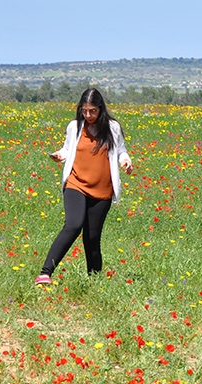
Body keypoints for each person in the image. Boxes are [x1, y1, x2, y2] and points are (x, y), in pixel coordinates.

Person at [35, 88, 133, 287]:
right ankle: (45, 273)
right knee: (73, 225)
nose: (88, 115)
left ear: (100, 109)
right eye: (84, 111)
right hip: (76, 183)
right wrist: (59, 155)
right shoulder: (75, 126)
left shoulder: (112, 128)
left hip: (102, 189)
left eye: (92, 111)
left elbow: (121, 150)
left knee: (92, 238)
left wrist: (126, 161)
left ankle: (94, 283)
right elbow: (68, 148)